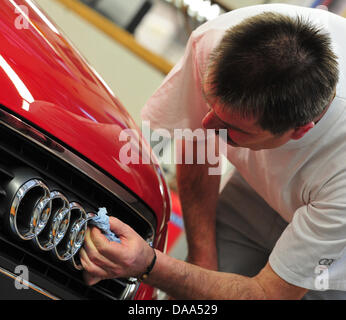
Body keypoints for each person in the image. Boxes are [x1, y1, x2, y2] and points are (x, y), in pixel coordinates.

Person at [80, 3, 346, 299]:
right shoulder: (215, 41)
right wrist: (201, 263)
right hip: (254, 194)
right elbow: (198, 145)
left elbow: (268, 294)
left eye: (232, 127)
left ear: (300, 130)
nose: (207, 125)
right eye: (210, 104)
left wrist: (150, 265)